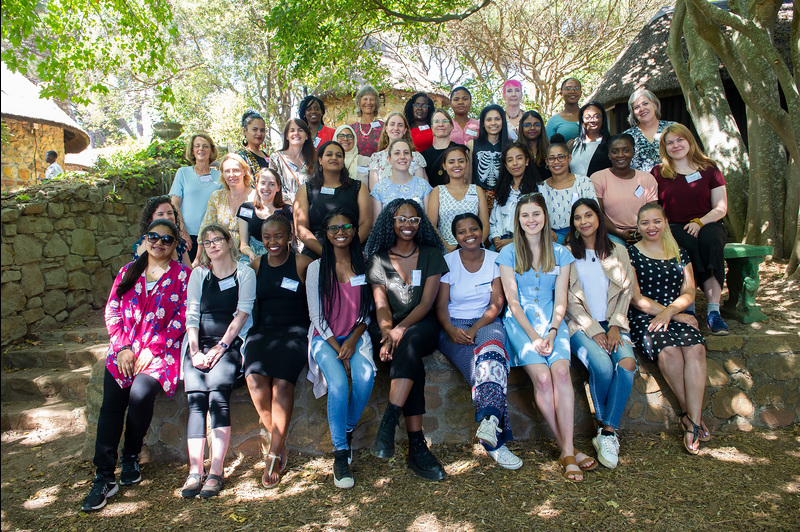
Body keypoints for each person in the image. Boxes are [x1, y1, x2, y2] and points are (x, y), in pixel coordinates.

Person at [81, 219, 190, 511]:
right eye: (154, 236)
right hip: (124, 352)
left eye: (167, 240)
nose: (159, 243)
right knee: (111, 405)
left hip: (160, 353)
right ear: (145, 238)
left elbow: (181, 319)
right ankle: (103, 476)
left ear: (175, 245)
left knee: (140, 395)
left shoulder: (184, 277)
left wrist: (151, 350)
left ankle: (131, 454)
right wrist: (123, 348)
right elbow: (112, 309)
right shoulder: (128, 271)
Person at [496, 193, 596, 482]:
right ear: (518, 219)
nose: (531, 220)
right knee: (542, 378)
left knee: (561, 372)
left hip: (552, 320)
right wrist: (534, 337)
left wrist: (552, 331)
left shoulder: (561, 253)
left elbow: (561, 298)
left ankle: (566, 450)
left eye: (536, 214)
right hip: (521, 324)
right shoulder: (508, 254)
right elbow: (513, 304)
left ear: (545, 217)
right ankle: (569, 450)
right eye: (525, 215)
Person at [365, 199, 448, 481]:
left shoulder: (431, 254)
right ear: (392, 222)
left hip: (421, 324)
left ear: (420, 223)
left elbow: (425, 304)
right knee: (408, 353)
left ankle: (389, 420)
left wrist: (399, 331)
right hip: (388, 328)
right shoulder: (378, 259)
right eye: (402, 219)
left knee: (410, 340)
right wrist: (389, 332)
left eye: (414, 220)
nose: (408, 225)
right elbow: (381, 306)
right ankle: (417, 446)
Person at [435, 213, 522, 470]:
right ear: (455, 236)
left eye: (473, 229)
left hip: (486, 321)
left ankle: (490, 421)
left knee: (492, 353)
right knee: (478, 371)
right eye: (461, 231)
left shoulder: (496, 259)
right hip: (454, 326)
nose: (468, 234)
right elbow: (441, 306)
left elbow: (497, 303)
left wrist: (475, 328)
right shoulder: (448, 261)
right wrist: (450, 329)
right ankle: (494, 441)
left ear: (482, 231)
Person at [181, 224, 255, 498]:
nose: (212, 245)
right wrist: (194, 350)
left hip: (228, 345)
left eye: (217, 239)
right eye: (207, 241)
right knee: (196, 402)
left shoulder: (244, 273)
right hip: (198, 345)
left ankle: (216, 470)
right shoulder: (199, 275)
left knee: (217, 399)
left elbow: (242, 314)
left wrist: (220, 347)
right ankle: (194, 471)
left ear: (228, 241)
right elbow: (192, 314)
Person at [628, 203, 709, 454]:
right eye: (645, 222)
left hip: (676, 314)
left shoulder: (680, 253)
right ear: (638, 226)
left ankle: (691, 421)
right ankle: (692, 417)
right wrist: (666, 314)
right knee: (670, 352)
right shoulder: (630, 253)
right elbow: (635, 298)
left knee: (695, 349)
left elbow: (689, 290)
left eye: (656, 221)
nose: (651, 227)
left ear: (665, 223)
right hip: (645, 317)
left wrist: (671, 312)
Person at [305, 208, 376, 489]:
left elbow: (367, 311)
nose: (340, 233)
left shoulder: (365, 264)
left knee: (366, 377)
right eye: (334, 228)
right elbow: (316, 316)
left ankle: (346, 430)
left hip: (355, 336)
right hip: (326, 338)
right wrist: (338, 347)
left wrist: (351, 342)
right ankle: (340, 453)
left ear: (354, 230)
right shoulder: (316, 268)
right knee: (337, 385)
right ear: (326, 234)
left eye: (346, 227)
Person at [565, 199, 637, 469]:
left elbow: (626, 291)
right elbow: (569, 299)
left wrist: (616, 325)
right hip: (581, 325)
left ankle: (607, 430)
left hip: (614, 323)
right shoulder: (566, 254)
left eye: (588, 215)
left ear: (599, 218)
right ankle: (607, 431)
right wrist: (595, 330)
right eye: (577, 217)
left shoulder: (618, 250)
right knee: (603, 367)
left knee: (627, 363)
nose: (583, 222)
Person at [243, 214, 312, 488]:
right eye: (267, 237)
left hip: (295, 331)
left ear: (290, 238)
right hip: (263, 332)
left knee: (282, 383)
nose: (273, 242)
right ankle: (279, 439)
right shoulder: (257, 265)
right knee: (254, 378)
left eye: (279, 236)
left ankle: (273, 452)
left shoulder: (303, 264)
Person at [653, 123, 729, 335]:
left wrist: (699, 223)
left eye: (680, 140)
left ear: (689, 141)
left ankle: (714, 311)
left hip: (708, 222)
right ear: (664, 148)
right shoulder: (659, 172)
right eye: (670, 143)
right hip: (673, 226)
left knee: (711, 242)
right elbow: (655, 207)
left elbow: (721, 207)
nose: (676, 145)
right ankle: (690, 308)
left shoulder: (710, 169)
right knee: (685, 246)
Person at [295, 141, 371, 259]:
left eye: (339, 155)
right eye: (329, 154)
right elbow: (301, 229)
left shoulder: (359, 187)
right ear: (320, 160)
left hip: (352, 248)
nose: (334, 158)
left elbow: (365, 224)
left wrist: (346, 251)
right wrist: (325, 253)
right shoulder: (306, 189)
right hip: (317, 250)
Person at [590, 134, 658, 245]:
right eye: (615, 151)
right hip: (612, 232)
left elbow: (653, 212)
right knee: (619, 250)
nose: (621, 155)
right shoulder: (598, 178)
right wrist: (621, 233)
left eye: (626, 150)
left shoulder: (647, 179)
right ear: (609, 155)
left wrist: (641, 232)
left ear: (633, 152)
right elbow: (598, 213)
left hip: (644, 230)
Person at [170, 132, 222, 262]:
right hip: (187, 236)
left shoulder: (220, 176)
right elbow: (174, 204)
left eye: (205, 146)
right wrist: (182, 231)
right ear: (192, 151)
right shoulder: (183, 173)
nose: (201, 149)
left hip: (212, 237)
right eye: (197, 146)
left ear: (211, 150)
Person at [427, 145, 489, 252]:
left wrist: (476, 245)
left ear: (466, 164)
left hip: (474, 248)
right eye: (451, 162)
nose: (457, 165)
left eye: (461, 161)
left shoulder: (477, 190)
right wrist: (447, 246)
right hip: (446, 250)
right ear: (444, 166)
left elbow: (485, 224)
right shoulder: (437, 191)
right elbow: (432, 225)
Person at [539, 138, 597, 244]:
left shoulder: (583, 182)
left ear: (569, 158)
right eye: (551, 158)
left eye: (561, 157)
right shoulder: (541, 187)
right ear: (547, 161)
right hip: (553, 236)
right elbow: (537, 216)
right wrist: (546, 231)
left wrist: (578, 232)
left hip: (582, 231)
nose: (556, 162)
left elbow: (594, 211)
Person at [199, 154, 255, 255]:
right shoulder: (217, 197)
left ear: (243, 171)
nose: (231, 174)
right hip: (221, 254)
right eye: (227, 171)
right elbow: (206, 228)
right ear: (223, 174)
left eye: (236, 170)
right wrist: (198, 258)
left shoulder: (254, 196)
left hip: (248, 256)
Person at [490, 143, 541, 252]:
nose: (515, 163)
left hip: (526, 242)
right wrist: (496, 239)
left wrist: (513, 241)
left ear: (527, 161)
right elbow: (493, 222)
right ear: (505, 165)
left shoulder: (539, 189)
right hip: (500, 242)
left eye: (519, 158)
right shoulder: (502, 190)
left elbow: (539, 222)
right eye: (510, 160)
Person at [370, 139, 432, 223]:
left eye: (406, 153)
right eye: (397, 153)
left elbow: (429, 222)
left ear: (411, 158)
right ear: (389, 159)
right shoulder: (378, 189)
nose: (402, 157)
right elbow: (376, 226)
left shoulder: (423, 185)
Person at [237, 168, 293, 261]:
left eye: (271, 184)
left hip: (280, 256)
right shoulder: (246, 208)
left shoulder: (288, 210)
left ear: (278, 188)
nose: (266, 188)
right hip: (252, 256)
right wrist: (250, 253)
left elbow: (291, 241)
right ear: (256, 185)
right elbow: (243, 244)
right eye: (262, 183)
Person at [467, 104, 510, 211]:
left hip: (504, 198)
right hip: (478, 198)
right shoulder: (472, 145)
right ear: (483, 123)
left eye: (497, 119)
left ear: (503, 122)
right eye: (489, 120)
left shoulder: (510, 145)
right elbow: (468, 177)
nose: (493, 123)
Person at [368, 112, 427, 189]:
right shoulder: (376, 158)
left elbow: (422, 189)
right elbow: (374, 191)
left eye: (400, 125)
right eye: (392, 124)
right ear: (386, 128)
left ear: (405, 130)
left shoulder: (416, 157)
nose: (396, 128)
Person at [623, 88, 674, 172]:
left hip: (672, 181)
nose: (642, 109)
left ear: (655, 105)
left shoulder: (672, 128)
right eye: (636, 107)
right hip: (640, 184)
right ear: (633, 113)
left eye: (645, 104)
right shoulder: (627, 137)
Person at [133, 196, 191, 267]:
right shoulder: (148, 241)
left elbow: (190, 274)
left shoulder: (180, 243)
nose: (167, 217)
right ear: (150, 219)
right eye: (160, 214)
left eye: (170, 213)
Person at [269, 118, 315, 204]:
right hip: (284, 209)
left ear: (306, 136)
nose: (296, 133)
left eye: (300, 130)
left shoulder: (313, 161)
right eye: (292, 130)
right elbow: (273, 185)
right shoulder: (276, 158)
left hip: (308, 210)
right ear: (286, 136)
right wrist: (290, 207)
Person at [568, 101, 612, 177]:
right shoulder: (573, 144)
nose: (592, 120)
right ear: (581, 120)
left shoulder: (611, 144)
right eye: (587, 117)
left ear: (603, 119)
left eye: (597, 116)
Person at [421, 109, 462, 187]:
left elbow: (466, 179)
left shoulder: (461, 150)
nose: (440, 124)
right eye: (436, 121)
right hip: (433, 196)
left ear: (451, 126)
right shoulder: (424, 155)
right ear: (432, 127)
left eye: (445, 121)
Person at [350, 85, 384, 158]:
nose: (368, 102)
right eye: (365, 99)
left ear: (376, 103)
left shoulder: (384, 127)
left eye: (372, 99)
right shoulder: (351, 129)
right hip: (356, 168)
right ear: (359, 102)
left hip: (378, 168)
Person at [545, 78, 582, 142]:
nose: (573, 91)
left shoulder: (589, 117)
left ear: (581, 92)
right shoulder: (553, 121)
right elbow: (549, 147)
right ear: (561, 94)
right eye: (568, 88)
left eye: (576, 88)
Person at [519, 110, 550, 179]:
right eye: (527, 125)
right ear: (522, 127)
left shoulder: (550, 150)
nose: (532, 128)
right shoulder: (516, 151)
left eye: (537, 124)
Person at [237, 110, 269, 177]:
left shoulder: (266, 155)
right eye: (255, 130)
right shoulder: (240, 156)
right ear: (245, 131)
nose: (259, 133)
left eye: (262, 130)